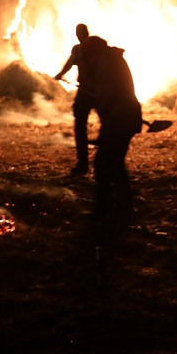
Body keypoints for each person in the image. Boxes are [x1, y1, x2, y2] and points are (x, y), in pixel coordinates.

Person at [86, 37, 144, 220]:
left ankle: (106, 209)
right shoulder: (111, 59)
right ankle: (123, 207)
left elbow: (110, 92)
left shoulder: (107, 61)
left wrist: (104, 105)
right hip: (123, 117)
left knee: (105, 164)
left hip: (119, 118)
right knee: (114, 163)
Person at [55, 23, 100, 175]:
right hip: (101, 91)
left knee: (80, 126)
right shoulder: (99, 49)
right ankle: (104, 160)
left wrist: (60, 74)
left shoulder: (79, 49)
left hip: (86, 93)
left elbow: (69, 63)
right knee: (106, 125)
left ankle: (83, 163)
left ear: (79, 34)